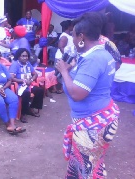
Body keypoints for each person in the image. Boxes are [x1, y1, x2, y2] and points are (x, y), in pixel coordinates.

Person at [54, 12, 120, 178]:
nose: (73, 40)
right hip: (96, 118)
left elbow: (77, 94)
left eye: (74, 36)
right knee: (88, 163)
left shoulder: (94, 59)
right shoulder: (102, 54)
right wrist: (70, 70)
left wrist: (64, 71)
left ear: (81, 36)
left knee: (89, 168)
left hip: (92, 124)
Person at [9, 48, 44, 123]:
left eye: (26, 56)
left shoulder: (28, 64)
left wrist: (31, 80)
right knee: (26, 93)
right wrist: (22, 81)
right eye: (23, 56)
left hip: (28, 84)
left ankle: (30, 108)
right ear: (18, 56)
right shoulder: (15, 64)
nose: (25, 58)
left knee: (39, 90)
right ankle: (23, 114)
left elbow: (35, 74)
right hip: (19, 85)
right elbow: (11, 78)